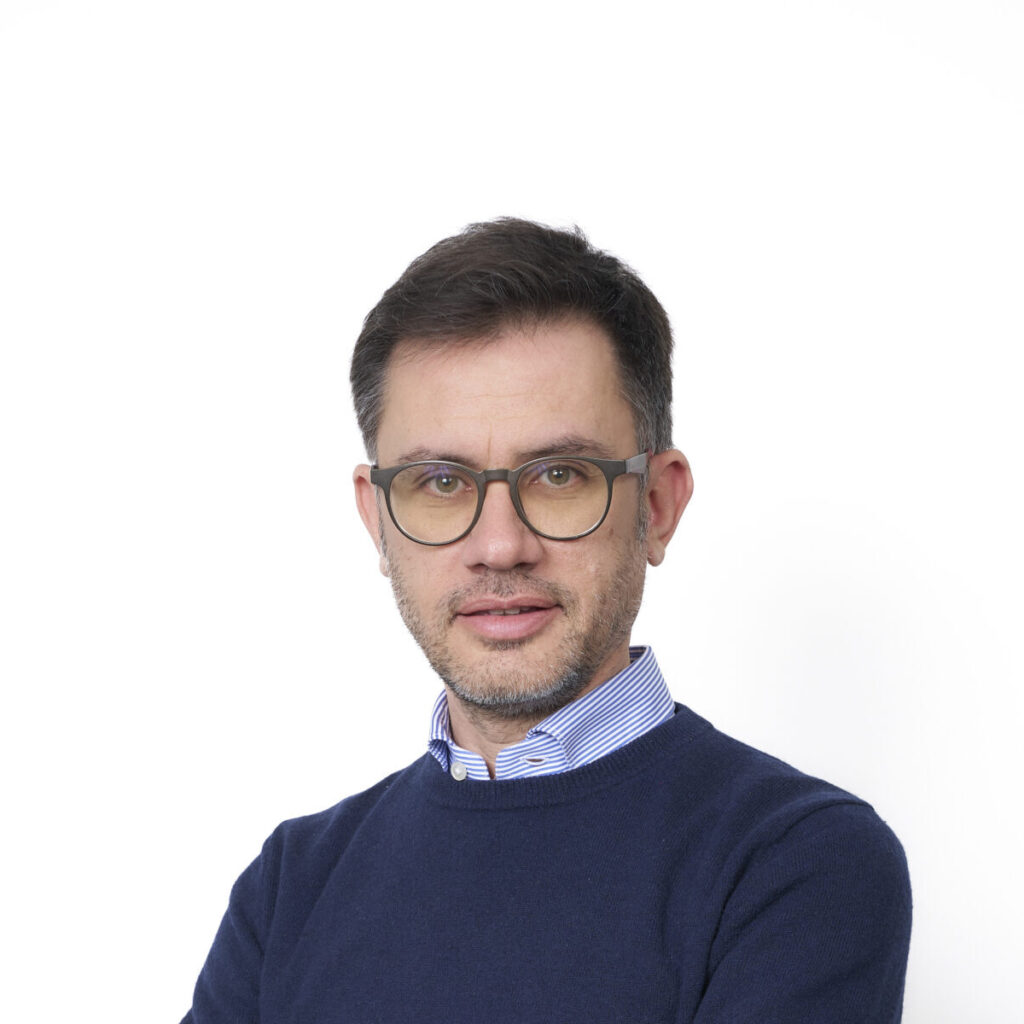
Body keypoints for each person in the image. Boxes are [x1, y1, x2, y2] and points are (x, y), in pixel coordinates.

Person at [182, 218, 912, 1022]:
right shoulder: (290, 888)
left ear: (657, 505)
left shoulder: (797, 863)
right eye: (440, 482)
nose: (500, 546)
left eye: (560, 475)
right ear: (377, 522)